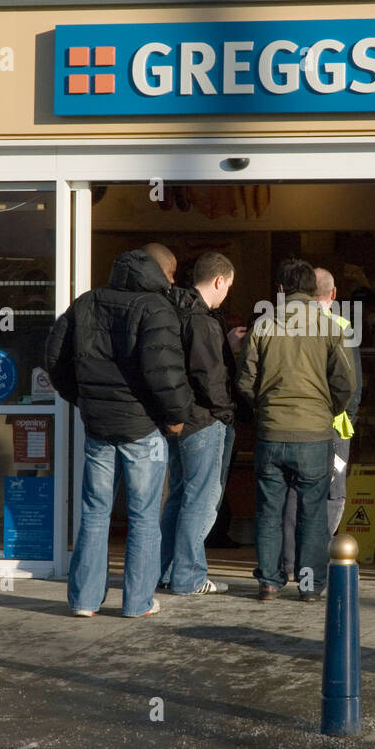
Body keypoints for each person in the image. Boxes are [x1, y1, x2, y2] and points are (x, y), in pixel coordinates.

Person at [44, 243, 192, 618]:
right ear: (159, 273)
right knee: (143, 516)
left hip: (99, 426)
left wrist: (81, 398)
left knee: (94, 513)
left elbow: (54, 358)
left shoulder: (87, 302)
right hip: (142, 427)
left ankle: (84, 600)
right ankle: (137, 601)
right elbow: (166, 373)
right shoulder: (156, 308)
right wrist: (176, 416)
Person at [238, 258, 356, 602]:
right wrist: (326, 410)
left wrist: (264, 409)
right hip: (315, 435)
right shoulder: (330, 327)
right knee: (313, 512)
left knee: (270, 511)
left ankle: (271, 582)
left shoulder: (263, 326)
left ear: (280, 289)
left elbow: (245, 380)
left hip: (271, 434)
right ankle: (308, 585)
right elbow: (345, 383)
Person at [158, 251, 237, 595]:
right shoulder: (203, 320)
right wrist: (227, 410)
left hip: (175, 419)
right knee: (202, 499)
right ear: (219, 281)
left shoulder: (171, 311)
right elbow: (209, 376)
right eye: (228, 287)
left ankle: (164, 570)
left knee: (178, 496)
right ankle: (188, 576)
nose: (227, 294)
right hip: (203, 419)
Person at [279, 267, 362, 579]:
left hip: (293, 426)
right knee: (331, 495)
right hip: (332, 428)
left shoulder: (282, 325)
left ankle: (289, 565)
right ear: (334, 295)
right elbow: (352, 386)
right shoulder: (340, 327)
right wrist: (344, 417)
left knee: (292, 494)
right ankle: (315, 565)